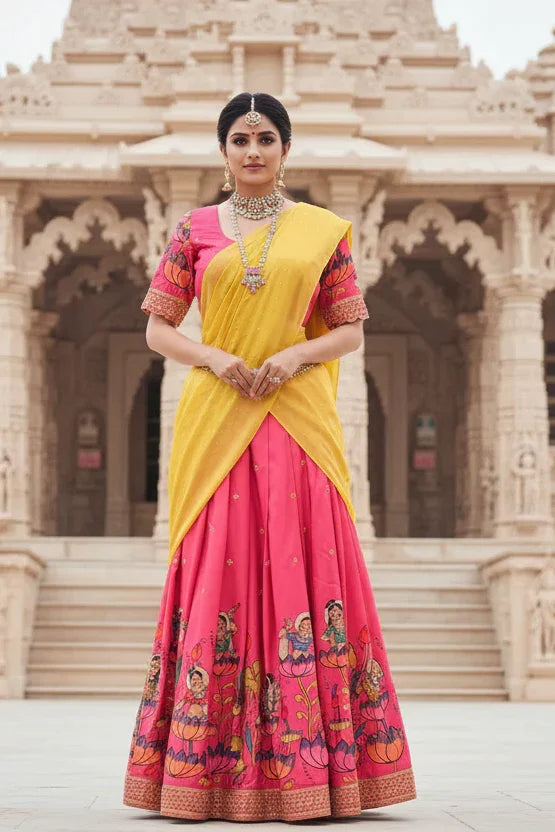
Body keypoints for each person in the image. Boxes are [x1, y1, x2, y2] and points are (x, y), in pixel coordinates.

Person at [123, 92, 416, 822]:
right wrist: (215, 358)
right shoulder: (192, 230)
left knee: (300, 561)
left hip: (295, 415)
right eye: (239, 138)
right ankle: (203, 768)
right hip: (217, 414)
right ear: (222, 153)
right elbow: (159, 331)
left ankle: (314, 770)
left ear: (286, 149)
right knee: (219, 563)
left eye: (266, 138)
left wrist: (292, 356)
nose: (253, 150)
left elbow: (348, 332)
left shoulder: (322, 232)